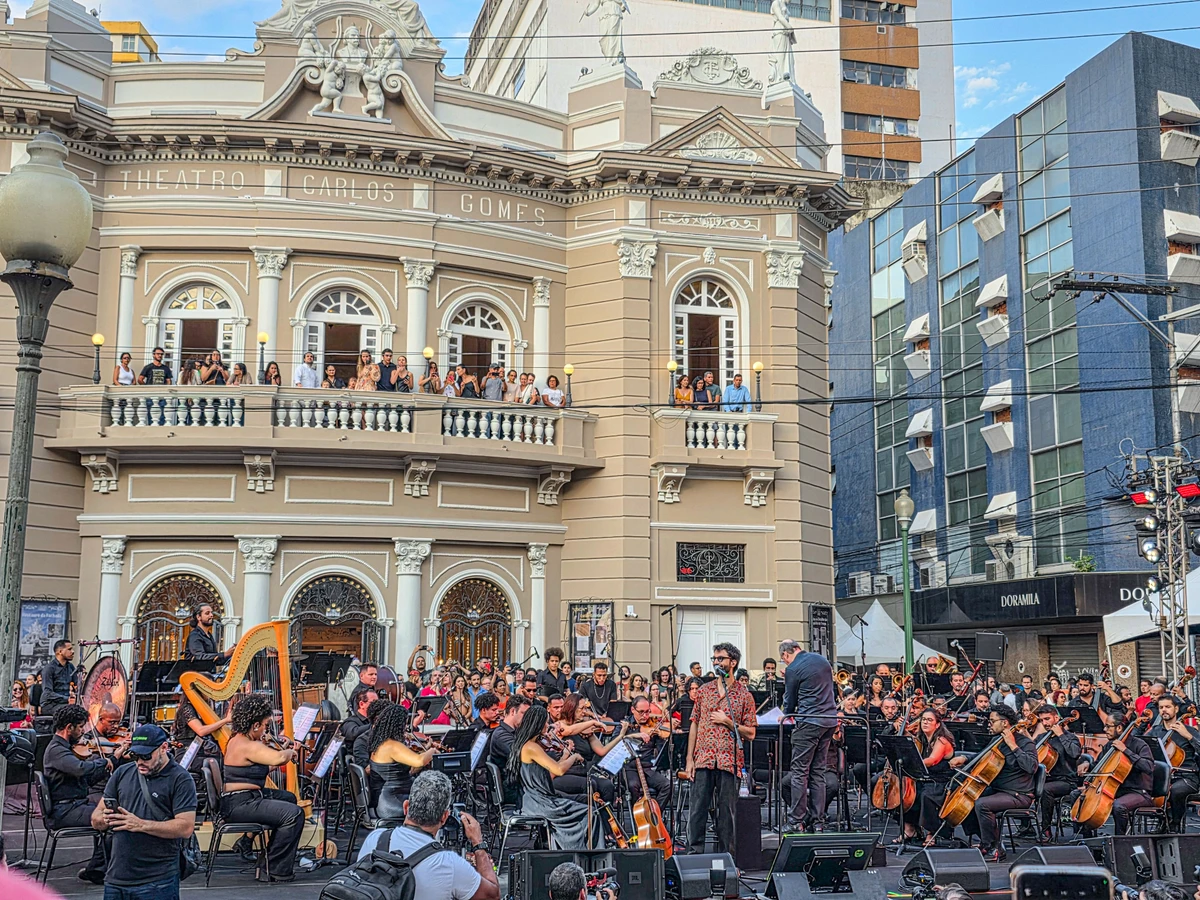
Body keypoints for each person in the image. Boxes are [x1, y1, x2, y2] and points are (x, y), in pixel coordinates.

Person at [91, 724, 198, 900]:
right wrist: (104, 819)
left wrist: (140, 824)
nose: (140, 761)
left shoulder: (180, 779)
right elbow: (96, 816)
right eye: (134, 755)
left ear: (163, 748)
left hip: (157, 879)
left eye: (146, 756)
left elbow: (185, 827)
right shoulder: (122, 773)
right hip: (117, 876)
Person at [358, 770, 499, 900]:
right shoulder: (449, 863)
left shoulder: (375, 838)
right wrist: (479, 844)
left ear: (406, 807)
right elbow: (492, 895)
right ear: (444, 817)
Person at [221, 694, 305, 881]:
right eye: (266, 725)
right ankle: (273, 868)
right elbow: (279, 758)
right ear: (256, 725)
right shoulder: (247, 744)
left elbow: (265, 766)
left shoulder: (239, 739)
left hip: (244, 798)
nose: (266, 730)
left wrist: (281, 748)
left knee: (288, 798)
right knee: (294, 814)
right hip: (240, 804)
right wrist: (291, 750)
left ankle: (268, 857)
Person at [685, 642, 757, 854]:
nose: (716, 662)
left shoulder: (744, 695)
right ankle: (693, 856)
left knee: (727, 814)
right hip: (704, 758)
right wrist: (690, 759)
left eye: (721, 659)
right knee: (697, 810)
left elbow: (751, 733)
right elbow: (694, 723)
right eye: (714, 659)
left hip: (729, 761)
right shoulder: (704, 691)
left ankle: (727, 858)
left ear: (732, 662)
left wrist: (727, 721)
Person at [945, 705, 1037, 861]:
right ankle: (984, 841)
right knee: (969, 797)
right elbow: (983, 755)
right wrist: (966, 758)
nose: (990, 724)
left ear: (1005, 723)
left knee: (982, 804)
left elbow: (1032, 766)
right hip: (998, 789)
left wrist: (1013, 745)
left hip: (1019, 794)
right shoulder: (997, 740)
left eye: (993, 721)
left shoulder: (1024, 743)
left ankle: (994, 848)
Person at [506, 704, 599, 849]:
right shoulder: (531, 747)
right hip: (539, 802)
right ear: (538, 723)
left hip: (533, 800)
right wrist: (573, 757)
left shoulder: (527, 744)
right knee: (591, 813)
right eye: (546, 722)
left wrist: (565, 755)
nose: (548, 725)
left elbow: (551, 769)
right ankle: (585, 854)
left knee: (584, 803)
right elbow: (559, 770)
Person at [44, 705, 113, 884]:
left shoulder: (66, 748)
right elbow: (81, 769)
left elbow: (87, 780)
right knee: (114, 821)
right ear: (69, 728)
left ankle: (100, 867)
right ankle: (97, 869)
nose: (83, 731)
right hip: (65, 810)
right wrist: (103, 761)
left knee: (113, 814)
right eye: (81, 727)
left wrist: (112, 761)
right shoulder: (56, 751)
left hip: (75, 805)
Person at [781, 638, 837, 833]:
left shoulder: (792, 668)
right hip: (829, 720)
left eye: (784, 659)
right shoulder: (822, 660)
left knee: (799, 772)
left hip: (808, 721)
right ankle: (818, 821)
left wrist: (788, 677)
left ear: (785, 654)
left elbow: (789, 702)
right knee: (818, 772)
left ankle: (796, 820)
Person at [369, 704, 435, 822]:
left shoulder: (381, 743)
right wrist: (432, 751)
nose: (406, 727)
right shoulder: (392, 746)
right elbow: (419, 761)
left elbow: (406, 769)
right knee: (435, 804)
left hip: (391, 797)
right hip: (393, 801)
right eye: (404, 723)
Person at [1146, 694, 1200, 832]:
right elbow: (1140, 746)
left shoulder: (1189, 731)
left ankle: (1174, 823)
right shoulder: (1155, 731)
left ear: (1176, 709)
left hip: (1187, 776)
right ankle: (1161, 821)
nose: (1164, 710)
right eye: (1161, 707)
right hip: (1162, 776)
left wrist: (1188, 736)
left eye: (1168, 707)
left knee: (1174, 791)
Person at [1094, 712, 1153, 835]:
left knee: (1118, 806)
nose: (1105, 730)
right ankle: (1086, 840)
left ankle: (1120, 841)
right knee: (1077, 795)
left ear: (1119, 727)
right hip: (1115, 790)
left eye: (1108, 726)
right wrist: (1085, 764)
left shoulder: (1139, 744)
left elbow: (1148, 767)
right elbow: (1098, 765)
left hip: (1138, 792)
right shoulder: (1109, 746)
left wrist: (1125, 751)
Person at [1031, 704, 1081, 841]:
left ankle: (1046, 830)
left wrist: (1060, 735)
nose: (1045, 723)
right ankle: (1026, 827)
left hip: (1066, 781)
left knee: (1045, 790)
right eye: (1042, 720)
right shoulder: (1041, 738)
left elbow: (1075, 753)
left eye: (1047, 719)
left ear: (1056, 717)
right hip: (1045, 779)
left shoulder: (1071, 737)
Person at [40, 638, 78, 721]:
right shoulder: (49, 669)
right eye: (69, 649)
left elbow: (77, 685)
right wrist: (67, 698)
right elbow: (47, 693)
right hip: (50, 704)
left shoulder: (71, 667)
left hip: (65, 703)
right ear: (60, 652)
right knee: (71, 712)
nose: (72, 652)